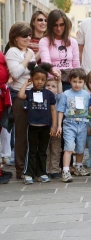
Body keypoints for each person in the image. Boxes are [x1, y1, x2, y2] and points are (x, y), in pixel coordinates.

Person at [6, 22, 37, 179]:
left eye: (30, 34)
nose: (28, 38)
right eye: (24, 35)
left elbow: (34, 73)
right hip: (19, 95)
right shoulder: (12, 52)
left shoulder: (30, 51)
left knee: (35, 132)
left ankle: (32, 167)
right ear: (15, 37)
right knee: (20, 134)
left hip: (34, 95)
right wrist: (28, 59)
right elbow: (16, 73)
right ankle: (20, 170)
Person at [17, 63, 57, 185]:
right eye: (36, 79)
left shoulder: (49, 94)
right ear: (32, 79)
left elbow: (53, 110)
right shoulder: (29, 93)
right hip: (32, 126)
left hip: (45, 126)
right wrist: (25, 84)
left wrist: (54, 125)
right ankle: (28, 173)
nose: (39, 82)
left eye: (42, 79)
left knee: (43, 150)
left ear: (46, 80)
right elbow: (20, 95)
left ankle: (42, 172)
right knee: (32, 150)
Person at [56, 68, 91, 183]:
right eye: (75, 81)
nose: (77, 84)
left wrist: (89, 124)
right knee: (69, 147)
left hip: (82, 123)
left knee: (81, 147)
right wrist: (59, 125)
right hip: (69, 123)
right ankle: (65, 170)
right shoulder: (66, 94)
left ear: (84, 82)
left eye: (80, 82)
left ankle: (78, 166)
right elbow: (61, 110)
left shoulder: (86, 94)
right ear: (70, 81)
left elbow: (89, 110)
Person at [39, 9, 79, 91]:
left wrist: (77, 82)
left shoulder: (73, 42)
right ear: (50, 26)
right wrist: (53, 71)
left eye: (61, 25)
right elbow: (45, 61)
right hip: (52, 82)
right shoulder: (44, 41)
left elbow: (76, 65)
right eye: (55, 25)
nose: (59, 28)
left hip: (69, 82)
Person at [45, 77, 63, 179]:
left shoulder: (58, 99)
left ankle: (54, 169)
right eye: (48, 86)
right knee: (46, 149)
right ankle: (46, 169)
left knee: (56, 149)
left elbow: (60, 93)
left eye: (53, 86)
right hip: (45, 128)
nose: (50, 88)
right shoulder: (43, 97)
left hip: (56, 128)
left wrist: (59, 81)